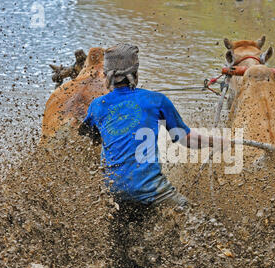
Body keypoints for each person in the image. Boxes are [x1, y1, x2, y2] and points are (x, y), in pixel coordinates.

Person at [79, 43, 230, 214]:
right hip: (152, 191)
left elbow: (88, 139)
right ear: (135, 73)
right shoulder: (156, 100)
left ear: (106, 75)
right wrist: (216, 142)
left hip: (113, 192)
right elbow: (185, 139)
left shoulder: (97, 106)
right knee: (190, 214)